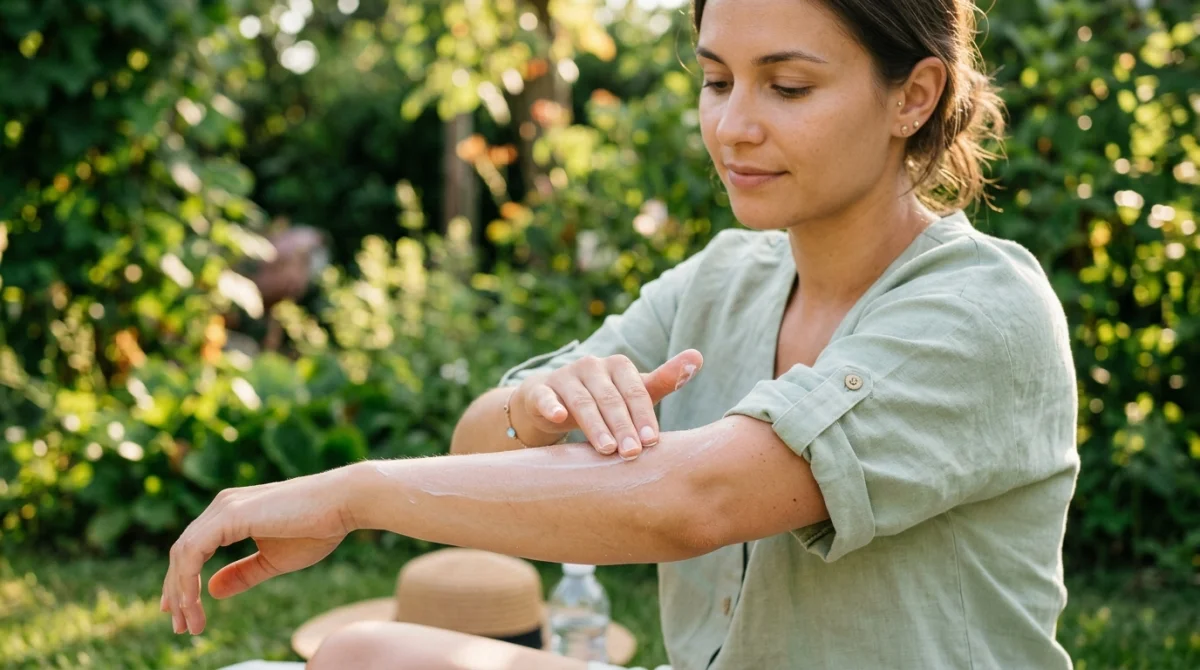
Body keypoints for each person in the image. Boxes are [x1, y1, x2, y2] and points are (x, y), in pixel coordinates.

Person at [161, 0, 1080, 667]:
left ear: (913, 96)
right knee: (364, 649)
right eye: (716, 80)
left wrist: (349, 495)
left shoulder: (981, 308)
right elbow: (476, 444)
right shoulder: (723, 278)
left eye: (788, 86)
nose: (732, 125)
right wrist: (537, 405)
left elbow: (690, 503)